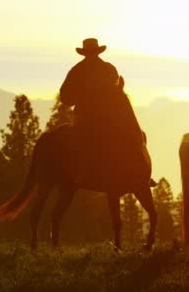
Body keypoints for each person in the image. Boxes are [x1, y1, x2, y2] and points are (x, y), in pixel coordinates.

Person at [59, 38, 147, 188]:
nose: (91, 55)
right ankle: (87, 172)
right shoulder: (104, 69)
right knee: (96, 139)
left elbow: (65, 97)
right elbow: (66, 96)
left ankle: (140, 173)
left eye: (92, 52)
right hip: (96, 117)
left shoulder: (83, 70)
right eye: (90, 52)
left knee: (135, 136)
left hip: (100, 116)